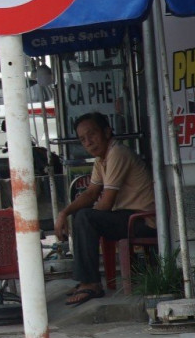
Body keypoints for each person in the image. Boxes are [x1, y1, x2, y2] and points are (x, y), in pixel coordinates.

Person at [60, 112, 156, 306]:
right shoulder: (100, 160)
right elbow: (91, 193)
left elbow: (106, 203)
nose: (88, 142)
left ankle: (91, 283)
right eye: (83, 139)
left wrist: (84, 217)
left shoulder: (117, 153)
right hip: (127, 217)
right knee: (82, 215)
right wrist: (64, 213)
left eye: (92, 134)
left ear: (107, 131)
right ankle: (85, 280)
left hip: (143, 220)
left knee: (86, 217)